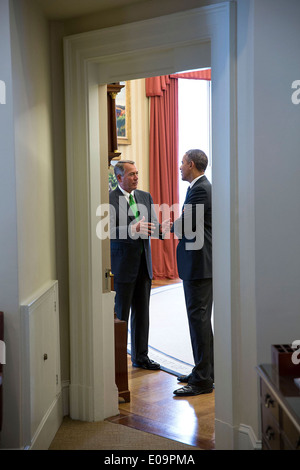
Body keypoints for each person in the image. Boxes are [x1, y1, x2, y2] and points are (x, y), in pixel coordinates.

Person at [109, 160, 171, 370]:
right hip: (122, 266)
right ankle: (117, 364)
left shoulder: (145, 196)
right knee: (121, 316)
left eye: (137, 173)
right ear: (119, 178)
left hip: (144, 264)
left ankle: (141, 357)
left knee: (142, 314)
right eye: (131, 174)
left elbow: (151, 225)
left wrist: (161, 230)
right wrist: (131, 229)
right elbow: (108, 231)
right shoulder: (108, 198)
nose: (136, 177)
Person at [172, 149, 214, 396]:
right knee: (200, 321)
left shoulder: (200, 189)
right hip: (199, 263)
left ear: (190, 164)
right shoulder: (197, 187)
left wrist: (158, 228)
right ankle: (205, 371)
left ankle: (202, 381)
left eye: (181, 163)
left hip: (199, 264)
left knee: (198, 320)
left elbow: (185, 226)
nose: (179, 167)